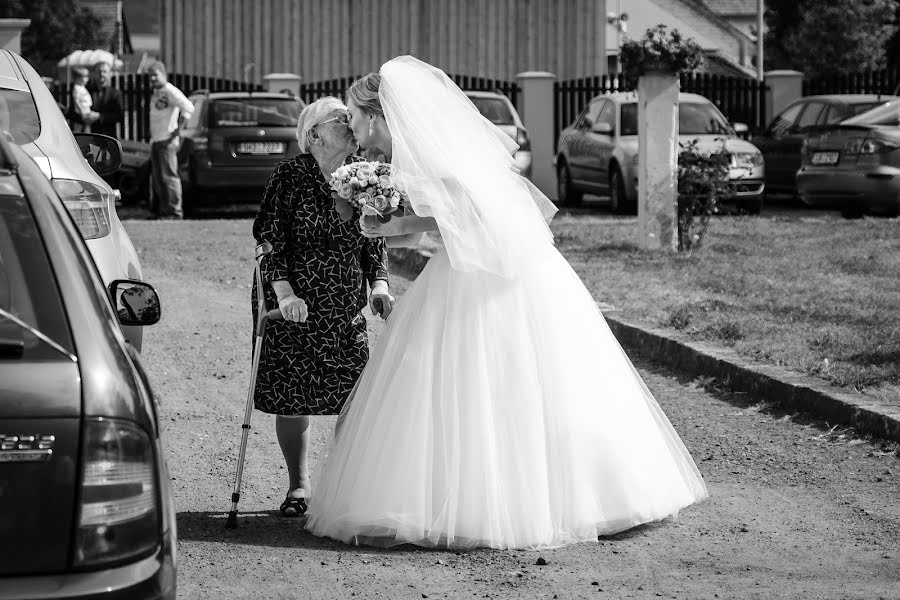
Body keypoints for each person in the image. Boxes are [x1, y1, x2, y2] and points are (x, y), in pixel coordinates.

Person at [305, 56, 708, 550]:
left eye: (355, 116)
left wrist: (396, 226)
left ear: (376, 115)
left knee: (498, 378)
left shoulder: (432, 154)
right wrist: (395, 226)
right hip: (466, 267)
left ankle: (526, 501)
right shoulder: (407, 156)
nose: (354, 128)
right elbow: (445, 216)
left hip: (491, 276)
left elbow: (474, 214)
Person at [252, 96, 394, 517]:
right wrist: (284, 294)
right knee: (293, 397)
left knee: (354, 396)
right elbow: (269, 238)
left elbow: (376, 238)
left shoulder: (366, 174)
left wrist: (380, 285)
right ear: (313, 135)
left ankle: (343, 487)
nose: (349, 122)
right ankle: (300, 486)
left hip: (344, 304)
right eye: (339, 119)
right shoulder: (289, 175)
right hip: (294, 302)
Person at [148, 61, 193, 219]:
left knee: (169, 177)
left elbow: (188, 108)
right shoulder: (156, 92)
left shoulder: (170, 90)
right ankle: (164, 211)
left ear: (163, 74)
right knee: (159, 179)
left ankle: (175, 211)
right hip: (157, 140)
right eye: (150, 75)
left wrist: (177, 131)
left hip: (167, 142)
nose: (152, 78)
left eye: (155, 74)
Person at [68, 67, 98, 133]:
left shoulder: (82, 87)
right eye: (85, 77)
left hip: (86, 110)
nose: (87, 79)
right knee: (78, 128)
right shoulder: (76, 88)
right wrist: (81, 111)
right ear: (78, 78)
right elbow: (77, 100)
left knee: (87, 126)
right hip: (81, 112)